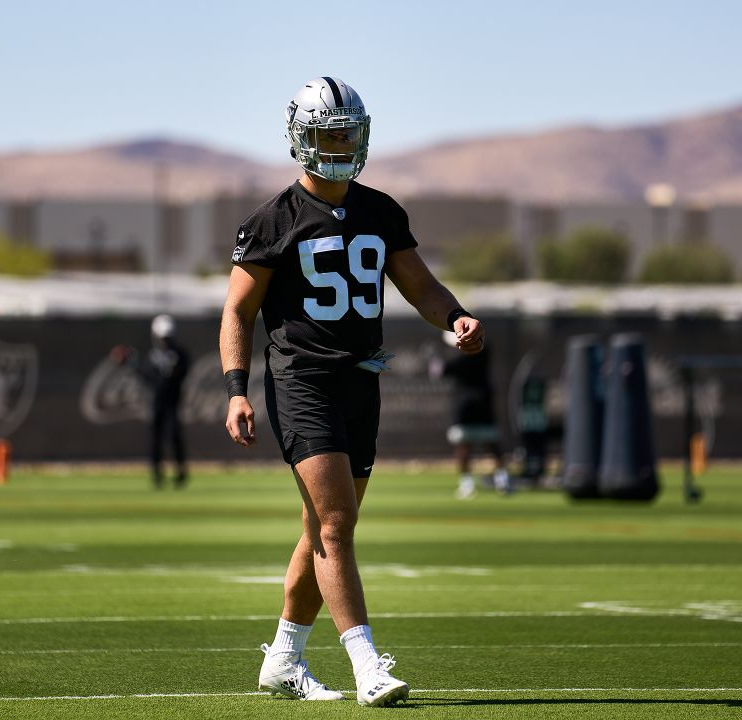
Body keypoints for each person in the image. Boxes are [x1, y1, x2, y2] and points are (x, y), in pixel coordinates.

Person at [219, 77, 485, 707]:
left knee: (322, 529)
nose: (337, 142)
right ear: (299, 139)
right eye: (326, 132)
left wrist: (455, 319)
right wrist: (236, 389)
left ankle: (284, 657)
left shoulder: (381, 211)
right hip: (301, 380)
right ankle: (368, 664)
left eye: (346, 131)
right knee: (337, 525)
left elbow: (421, 286)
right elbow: (237, 312)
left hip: (362, 379)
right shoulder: (271, 221)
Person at [430, 331, 511, 499]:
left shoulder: (462, 357)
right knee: (477, 444)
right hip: (476, 402)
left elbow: (440, 371)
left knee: (474, 444)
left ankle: (489, 482)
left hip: (469, 403)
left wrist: (439, 357)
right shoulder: (479, 351)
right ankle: (494, 481)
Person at [113, 314, 190, 488]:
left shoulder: (179, 353)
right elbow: (147, 377)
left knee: (174, 435)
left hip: (173, 401)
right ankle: (157, 474)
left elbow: (183, 370)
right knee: (155, 438)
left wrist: (174, 370)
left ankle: (180, 472)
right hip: (156, 402)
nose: (165, 341)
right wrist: (131, 362)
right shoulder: (152, 355)